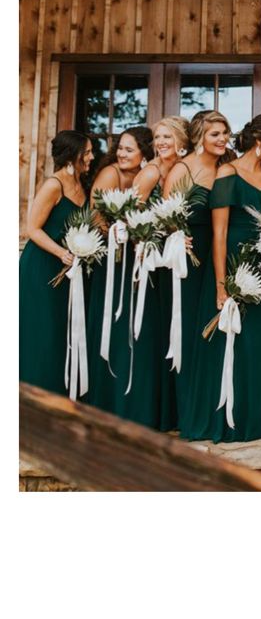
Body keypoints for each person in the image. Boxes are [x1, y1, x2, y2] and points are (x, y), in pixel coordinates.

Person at [183, 115, 261, 442]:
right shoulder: (228, 173)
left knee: (259, 342)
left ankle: (255, 417)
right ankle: (221, 418)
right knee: (227, 342)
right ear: (260, 142)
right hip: (229, 262)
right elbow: (219, 232)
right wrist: (220, 283)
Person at [162, 110, 230, 430]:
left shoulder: (226, 167)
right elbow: (164, 215)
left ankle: (209, 404)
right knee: (187, 331)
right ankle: (186, 411)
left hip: (219, 257)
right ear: (200, 135)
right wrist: (176, 235)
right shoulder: (182, 169)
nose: (222, 139)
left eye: (225, 133)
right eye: (215, 134)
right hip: (186, 261)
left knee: (212, 332)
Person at [86, 127, 157, 425]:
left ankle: (133, 403)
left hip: (138, 260)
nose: (122, 154)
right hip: (112, 262)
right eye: (120, 148)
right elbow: (95, 217)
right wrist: (120, 237)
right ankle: (106, 402)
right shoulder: (110, 175)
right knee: (113, 325)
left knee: (136, 329)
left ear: (144, 153)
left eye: (129, 149)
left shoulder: (147, 177)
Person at [20, 131, 94, 394]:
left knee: (63, 332)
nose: (91, 157)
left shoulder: (83, 184)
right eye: (87, 152)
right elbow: (33, 228)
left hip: (69, 270)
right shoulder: (54, 185)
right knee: (44, 331)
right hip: (43, 266)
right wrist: (60, 253)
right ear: (72, 154)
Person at [133, 116, 191, 431]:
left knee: (173, 331)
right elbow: (131, 217)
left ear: (182, 141)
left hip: (173, 263)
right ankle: (151, 412)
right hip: (152, 263)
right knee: (156, 337)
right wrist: (155, 237)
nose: (161, 143)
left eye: (167, 137)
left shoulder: (180, 172)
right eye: (158, 137)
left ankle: (171, 411)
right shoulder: (151, 172)